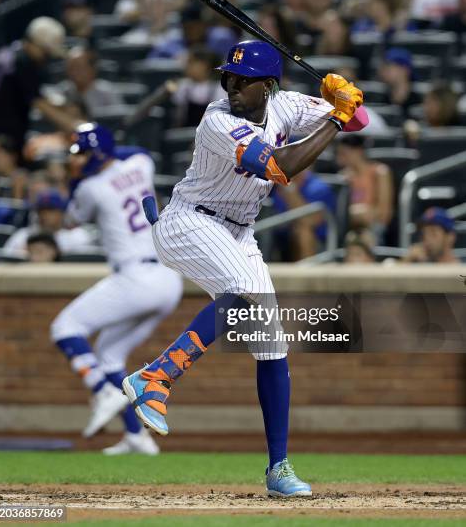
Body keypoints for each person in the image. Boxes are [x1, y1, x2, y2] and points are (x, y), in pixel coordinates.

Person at [121, 40, 368, 495]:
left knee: (271, 345)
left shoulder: (288, 105)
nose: (232, 86)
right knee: (243, 286)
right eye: (228, 78)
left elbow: (360, 121)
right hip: (189, 221)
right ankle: (158, 374)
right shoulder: (218, 121)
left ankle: (279, 469)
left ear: (268, 86)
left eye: (243, 80)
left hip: (238, 232)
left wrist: (344, 96)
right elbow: (279, 167)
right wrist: (336, 115)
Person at [50, 124, 183, 455]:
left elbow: (69, 222)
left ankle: (102, 391)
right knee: (109, 355)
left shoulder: (90, 187)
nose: (76, 161)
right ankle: (137, 437)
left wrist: (76, 179)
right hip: (169, 278)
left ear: (96, 154)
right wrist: (104, 154)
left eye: (81, 155)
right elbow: (135, 153)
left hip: (136, 276)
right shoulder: (140, 164)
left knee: (65, 327)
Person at [0, 16, 77, 155]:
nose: (46, 59)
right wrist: (74, 125)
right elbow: (39, 103)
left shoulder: (10, 52)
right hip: (1, 137)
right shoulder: (22, 62)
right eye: (46, 53)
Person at [336, 134, 393, 244]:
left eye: (344, 154)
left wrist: (361, 213)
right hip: (348, 226)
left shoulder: (380, 172)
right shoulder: (343, 177)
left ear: (358, 151)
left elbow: (384, 213)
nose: (339, 160)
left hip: (374, 226)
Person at [2, 188, 94, 257]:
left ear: (61, 213)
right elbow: (5, 261)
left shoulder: (77, 236)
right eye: (41, 211)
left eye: (50, 211)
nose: (44, 215)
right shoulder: (22, 235)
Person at [270, 167, 336, 260]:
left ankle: (306, 274)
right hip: (282, 234)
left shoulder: (319, 187)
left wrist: (290, 189)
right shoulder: (277, 185)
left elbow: (310, 220)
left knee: (304, 231)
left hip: (318, 240)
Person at [58, 46, 124, 117]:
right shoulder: (62, 91)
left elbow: (119, 120)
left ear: (93, 69)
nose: (74, 72)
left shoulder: (107, 91)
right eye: (71, 67)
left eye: (79, 67)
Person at [172, 47, 224, 127]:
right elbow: (178, 116)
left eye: (191, 63)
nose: (187, 66)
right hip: (184, 133)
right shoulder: (183, 86)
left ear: (205, 66)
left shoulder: (219, 89)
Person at [378, 48, 422, 117]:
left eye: (389, 66)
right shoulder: (382, 100)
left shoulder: (417, 103)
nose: (384, 70)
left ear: (404, 69)